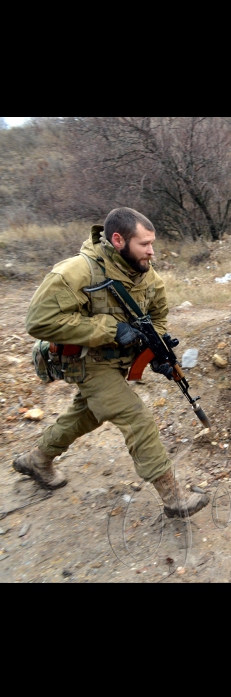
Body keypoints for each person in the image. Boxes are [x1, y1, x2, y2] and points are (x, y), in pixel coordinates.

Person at [13, 207, 209, 519]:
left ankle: (37, 459)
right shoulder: (77, 272)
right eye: (144, 244)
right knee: (136, 417)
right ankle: (174, 498)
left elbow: (157, 319)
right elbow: (38, 321)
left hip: (117, 362)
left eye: (152, 243)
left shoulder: (149, 278)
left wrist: (154, 352)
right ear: (118, 240)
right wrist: (107, 329)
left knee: (87, 415)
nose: (151, 252)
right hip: (85, 362)